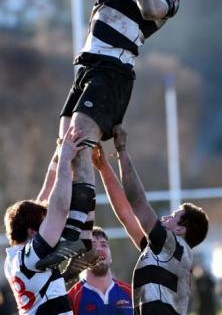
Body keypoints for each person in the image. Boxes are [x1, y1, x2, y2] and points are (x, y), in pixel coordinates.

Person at [40, 0, 180, 269]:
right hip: (86, 68)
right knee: (65, 153)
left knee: (82, 142)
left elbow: (150, 10)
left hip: (113, 72)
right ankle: (82, 239)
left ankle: (76, 238)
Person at [92, 126, 209, 315]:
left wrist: (122, 150)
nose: (165, 217)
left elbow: (138, 203)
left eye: (173, 216)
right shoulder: (164, 251)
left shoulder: (173, 246)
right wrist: (103, 167)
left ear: (181, 230)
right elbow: (127, 214)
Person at [4, 127, 87, 314]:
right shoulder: (31, 256)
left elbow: (45, 195)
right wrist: (66, 160)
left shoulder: (14, 258)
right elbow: (60, 208)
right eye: (43, 223)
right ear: (31, 231)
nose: (49, 225)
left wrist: (59, 153)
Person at [68, 226, 133, 315]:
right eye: (93, 245)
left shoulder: (131, 293)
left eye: (103, 245)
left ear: (111, 257)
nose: (99, 249)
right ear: (82, 258)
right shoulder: (71, 298)